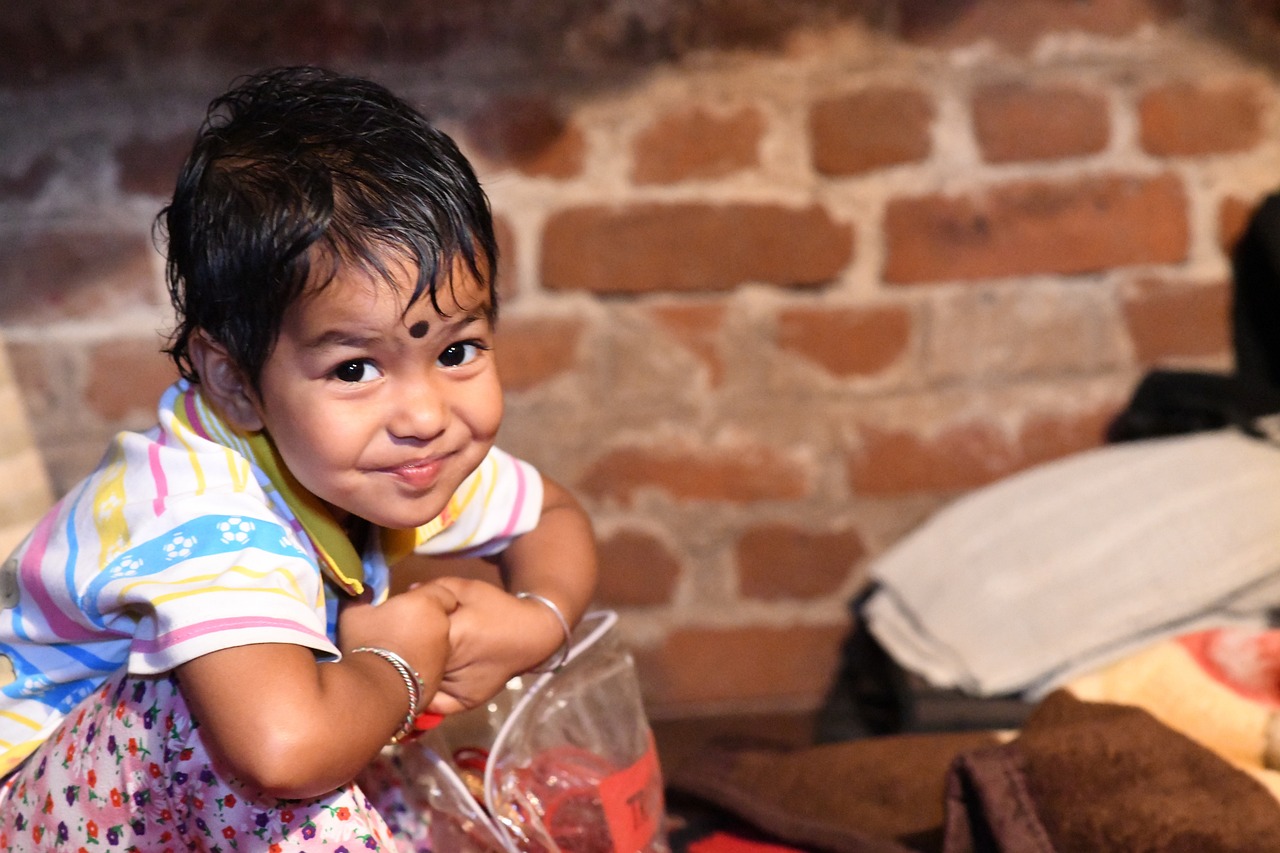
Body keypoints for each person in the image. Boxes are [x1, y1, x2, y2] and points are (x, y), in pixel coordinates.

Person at [0, 66, 598, 851]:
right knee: (252, 718)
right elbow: (280, 752)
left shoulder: (379, 456)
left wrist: (537, 623)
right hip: (36, 806)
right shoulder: (199, 508)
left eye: (458, 349)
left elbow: (553, 516)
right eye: (355, 369)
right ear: (235, 381)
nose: (425, 415)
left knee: (361, 734)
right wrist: (399, 663)